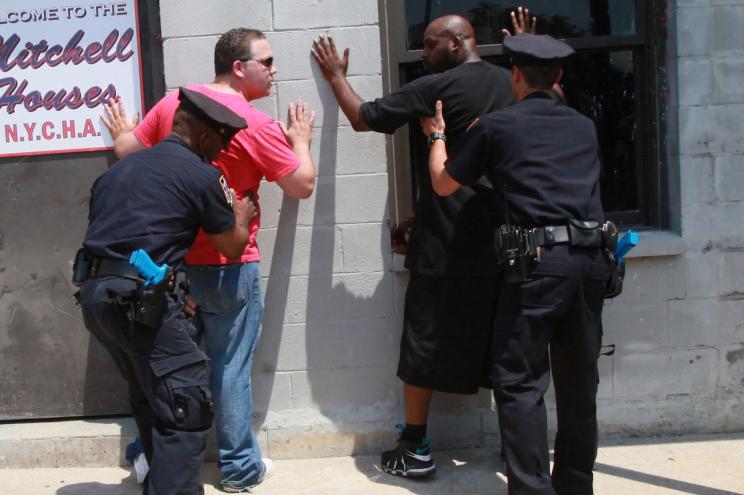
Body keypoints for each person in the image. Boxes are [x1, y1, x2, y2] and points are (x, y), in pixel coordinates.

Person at [311, 10, 536, 477]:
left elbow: (363, 117)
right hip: (505, 241)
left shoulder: (436, 89)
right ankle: (517, 452)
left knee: (423, 343)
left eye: (429, 45)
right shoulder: (511, 85)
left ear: (455, 44)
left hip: (447, 245)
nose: (422, 54)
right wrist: (529, 56)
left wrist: (335, 77)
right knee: (507, 347)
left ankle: (414, 449)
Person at [101, 28, 316, 492]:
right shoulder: (255, 125)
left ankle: (151, 457)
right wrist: (300, 141)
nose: (275, 70)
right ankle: (238, 466)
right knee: (229, 367)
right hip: (228, 266)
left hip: (166, 267)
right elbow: (302, 185)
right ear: (239, 68)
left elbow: (129, 156)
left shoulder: (171, 107)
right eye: (268, 61)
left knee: (155, 368)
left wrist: (121, 134)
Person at [421, 33, 611, 495]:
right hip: (591, 264)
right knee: (578, 384)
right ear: (560, 78)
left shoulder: (497, 126)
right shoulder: (583, 126)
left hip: (538, 268)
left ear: (516, 76)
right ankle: (574, 486)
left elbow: (445, 184)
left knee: (520, 384)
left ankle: (531, 489)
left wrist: (438, 136)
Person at [78, 87, 256, 495]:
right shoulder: (201, 174)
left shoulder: (114, 174)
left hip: (96, 299)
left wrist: (176, 289)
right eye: (222, 144)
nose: (220, 153)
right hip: (139, 302)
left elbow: (127, 240)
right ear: (207, 138)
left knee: (151, 390)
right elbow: (230, 245)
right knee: (187, 399)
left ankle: (157, 482)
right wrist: (241, 216)